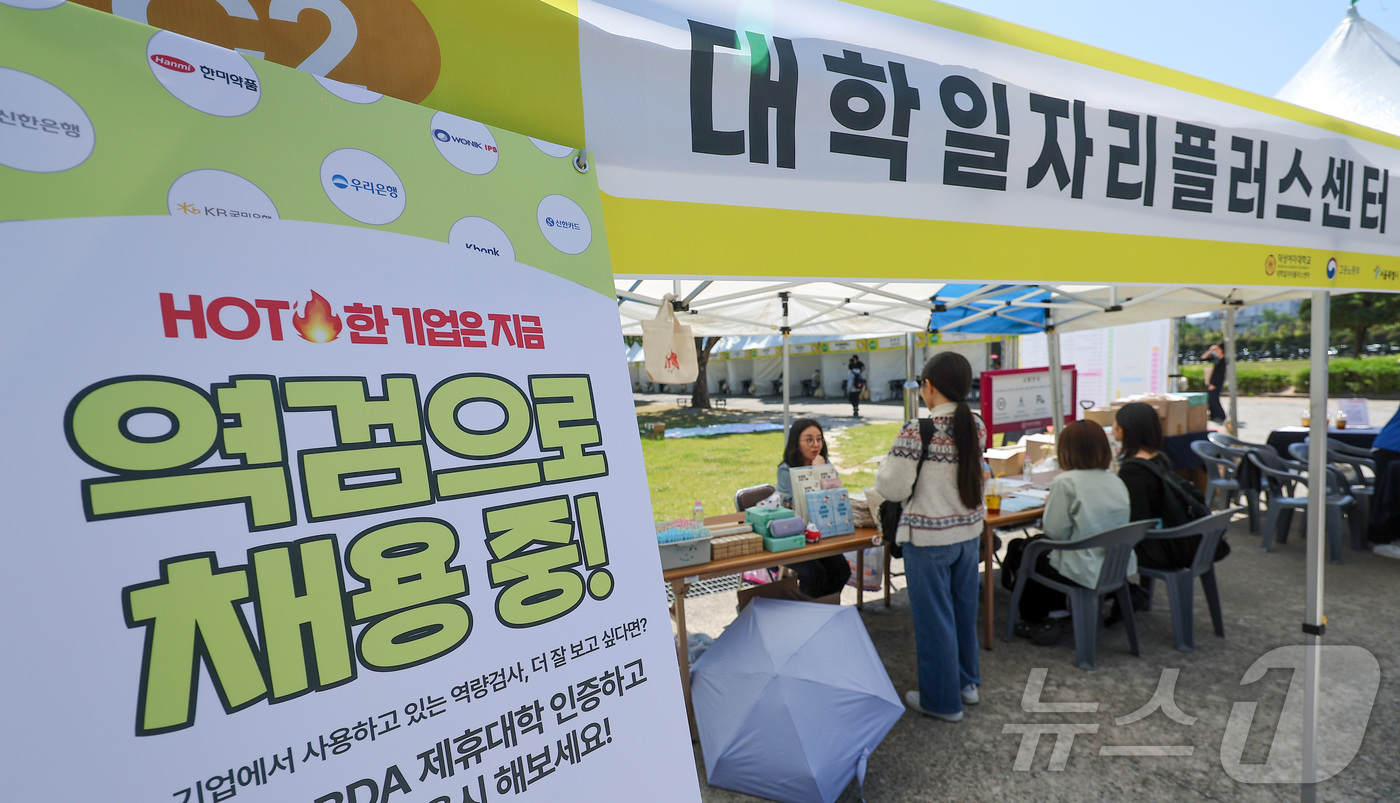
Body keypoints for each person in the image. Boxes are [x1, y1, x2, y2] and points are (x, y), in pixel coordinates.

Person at [875, 352, 983, 722]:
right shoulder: (977, 425)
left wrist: (883, 466)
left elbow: (891, 486)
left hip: (929, 539)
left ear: (929, 386)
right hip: (968, 535)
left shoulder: (917, 429)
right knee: (963, 612)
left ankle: (942, 701)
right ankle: (967, 684)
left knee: (935, 621)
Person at [1012, 419, 1132, 642]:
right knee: (1036, 549)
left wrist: (1050, 506)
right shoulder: (1116, 480)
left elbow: (1054, 532)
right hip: (1115, 564)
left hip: (1084, 566)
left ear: (1065, 449)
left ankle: (1038, 618)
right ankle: (1058, 612)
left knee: (1029, 552)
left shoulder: (1065, 482)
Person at [1115, 402, 1204, 570]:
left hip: (1155, 547)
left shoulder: (1132, 469)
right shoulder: (1159, 458)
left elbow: (1136, 519)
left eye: (1116, 424)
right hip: (1176, 538)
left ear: (1123, 430)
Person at [775, 419, 852, 597]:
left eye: (819, 439)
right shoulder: (786, 470)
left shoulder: (825, 463)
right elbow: (797, 503)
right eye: (809, 440)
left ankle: (826, 608)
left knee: (842, 570)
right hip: (796, 536)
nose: (815, 444)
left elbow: (834, 494)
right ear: (796, 442)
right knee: (815, 574)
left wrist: (823, 470)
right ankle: (809, 613)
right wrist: (816, 473)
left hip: (823, 533)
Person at [1202, 343, 1228, 425]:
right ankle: (1213, 415)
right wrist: (1210, 351)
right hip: (1212, 380)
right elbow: (1203, 358)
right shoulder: (1216, 358)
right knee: (1210, 399)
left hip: (1217, 381)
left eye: (1218, 349)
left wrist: (1214, 384)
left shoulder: (1223, 360)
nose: (1216, 350)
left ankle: (1220, 415)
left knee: (1214, 398)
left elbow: (1220, 374)